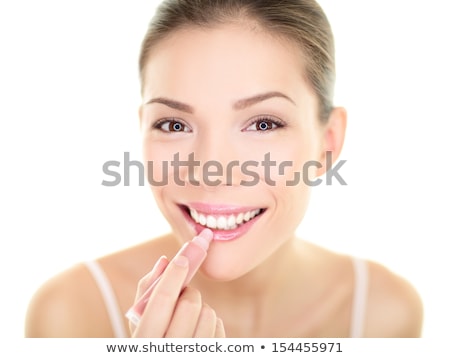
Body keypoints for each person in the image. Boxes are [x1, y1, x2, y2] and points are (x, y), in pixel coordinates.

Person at [25, 0, 423, 338]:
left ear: (328, 143)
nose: (211, 172)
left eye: (263, 124)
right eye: (174, 124)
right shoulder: (70, 315)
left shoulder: (385, 313)